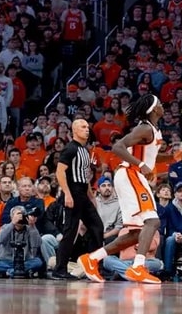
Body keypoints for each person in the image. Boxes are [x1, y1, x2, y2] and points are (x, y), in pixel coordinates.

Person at [76, 93, 171, 284]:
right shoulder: (144, 128)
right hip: (130, 173)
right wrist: (140, 164)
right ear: (154, 109)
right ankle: (138, 268)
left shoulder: (154, 130)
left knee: (136, 233)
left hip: (134, 175)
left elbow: (151, 158)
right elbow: (118, 147)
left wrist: (173, 157)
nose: (163, 106)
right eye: (160, 103)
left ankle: (92, 259)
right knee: (152, 221)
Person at [52, 119, 104, 280]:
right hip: (72, 192)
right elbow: (60, 172)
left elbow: (84, 176)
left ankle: (94, 264)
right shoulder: (70, 148)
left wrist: (91, 196)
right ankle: (59, 269)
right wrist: (67, 194)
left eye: (88, 127)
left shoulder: (85, 150)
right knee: (71, 231)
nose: (87, 129)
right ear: (74, 130)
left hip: (82, 193)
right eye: (83, 127)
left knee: (97, 227)